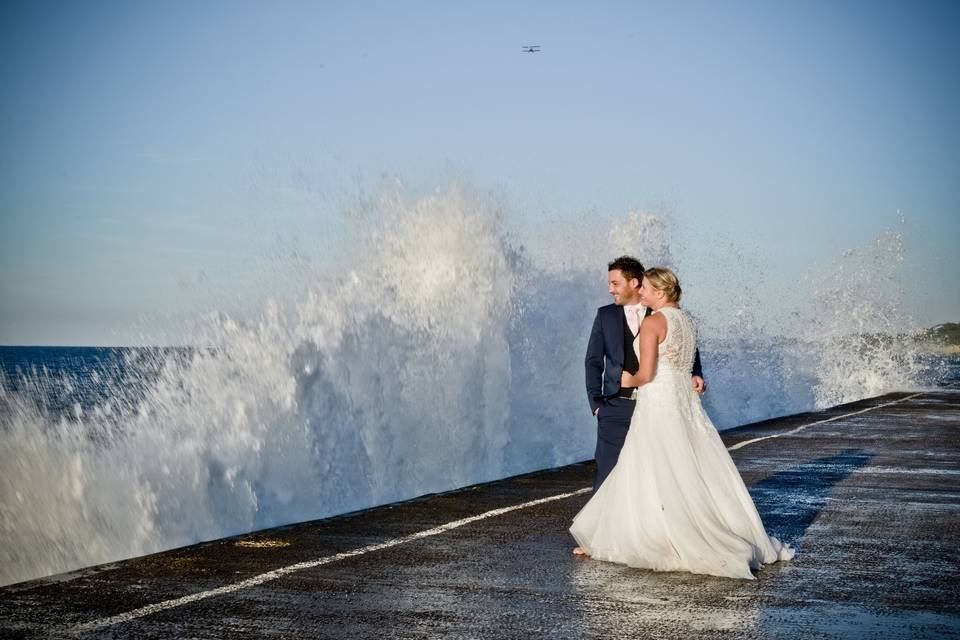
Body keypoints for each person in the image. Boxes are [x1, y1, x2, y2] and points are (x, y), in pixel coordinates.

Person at [571, 267, 794, 579]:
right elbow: (682, 363)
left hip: (657, 403)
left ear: (660, 292)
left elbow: (646, 374)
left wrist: (627, 378)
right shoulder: (687, 321)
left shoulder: (653, 321)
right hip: (683, 406)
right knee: (687, 469)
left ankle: (654, 534)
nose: (643, 294)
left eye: (647, 288)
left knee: (650, 468)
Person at [584, 256, 704, 492]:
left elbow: (685, 349)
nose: (610, 289)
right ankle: (608, 528)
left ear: (635, 283)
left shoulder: (662, 313)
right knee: (608, 474)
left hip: (658, 406)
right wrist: (596, 402)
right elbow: (593, 361)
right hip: (616, 406)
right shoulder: (605, 315)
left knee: (656, 475)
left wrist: (695, 373)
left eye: (615, 283)